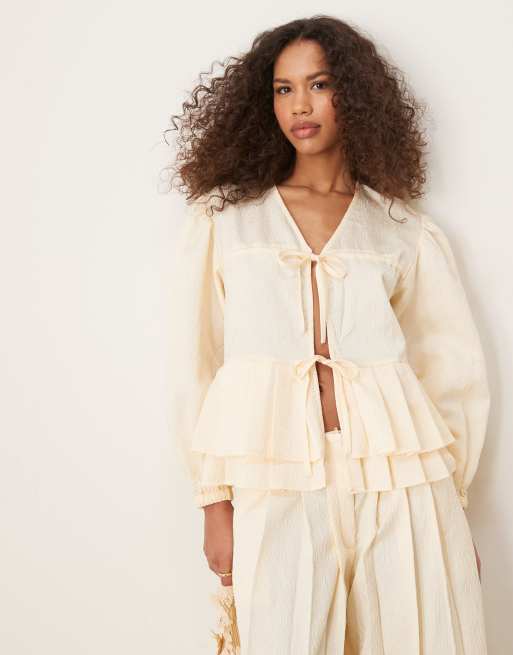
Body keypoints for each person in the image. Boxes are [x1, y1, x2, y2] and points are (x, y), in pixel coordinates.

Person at [165, 14, 490, 654]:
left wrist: (453, 507)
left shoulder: (401, 228)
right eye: (283, 89)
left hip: (399, 483)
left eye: (318, 84)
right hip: (275, 477)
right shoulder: (227, 220)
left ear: (355, 94)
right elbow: (195, 363)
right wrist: (214, 501)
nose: (300, 106)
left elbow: (450, 369)